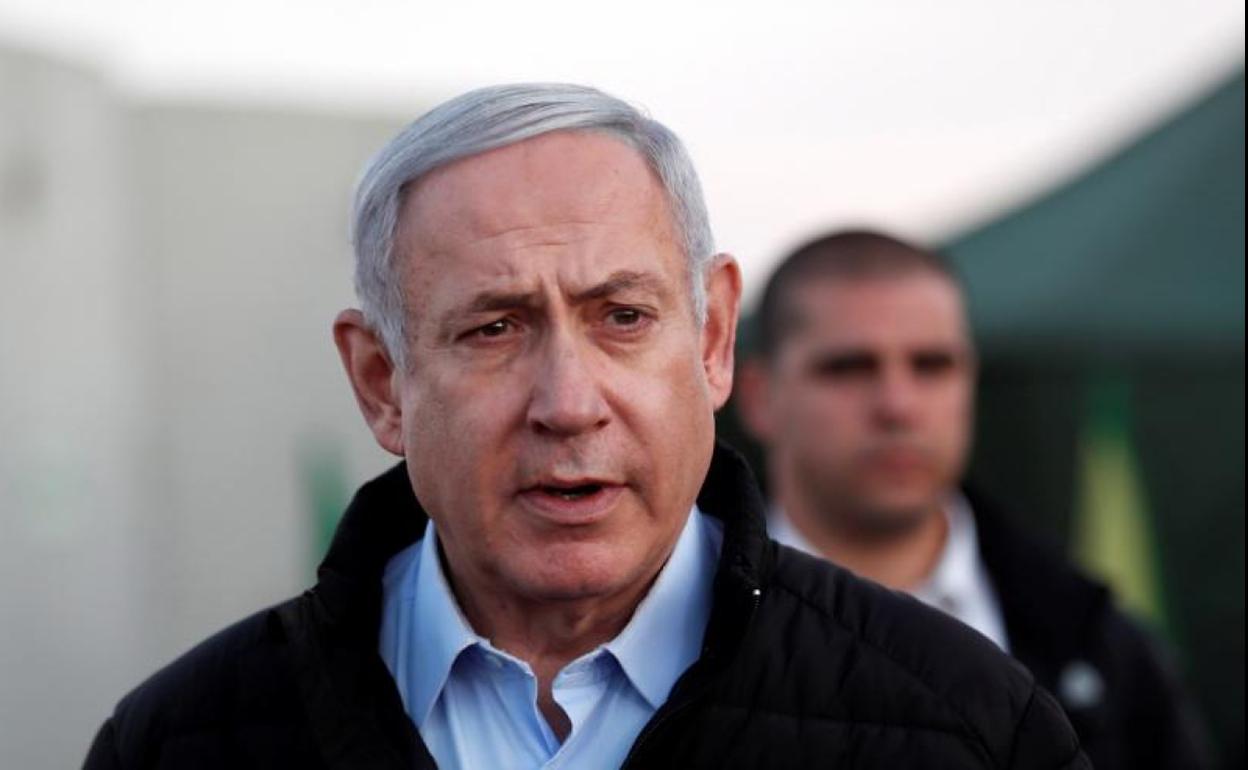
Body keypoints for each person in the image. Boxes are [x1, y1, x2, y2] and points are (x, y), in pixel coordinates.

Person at [84, 87, 1088, 769]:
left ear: (713, 339)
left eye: (623, 316)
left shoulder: (966, 727)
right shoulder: (179, 743)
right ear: (382, 380)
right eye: (494, 328)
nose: (569, 401)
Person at [736, 229, 1210, 770]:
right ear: (759, 397)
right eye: (850, 367)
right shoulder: (681, 630)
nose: (898, 405)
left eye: (932, 365)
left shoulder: (1100, 646)